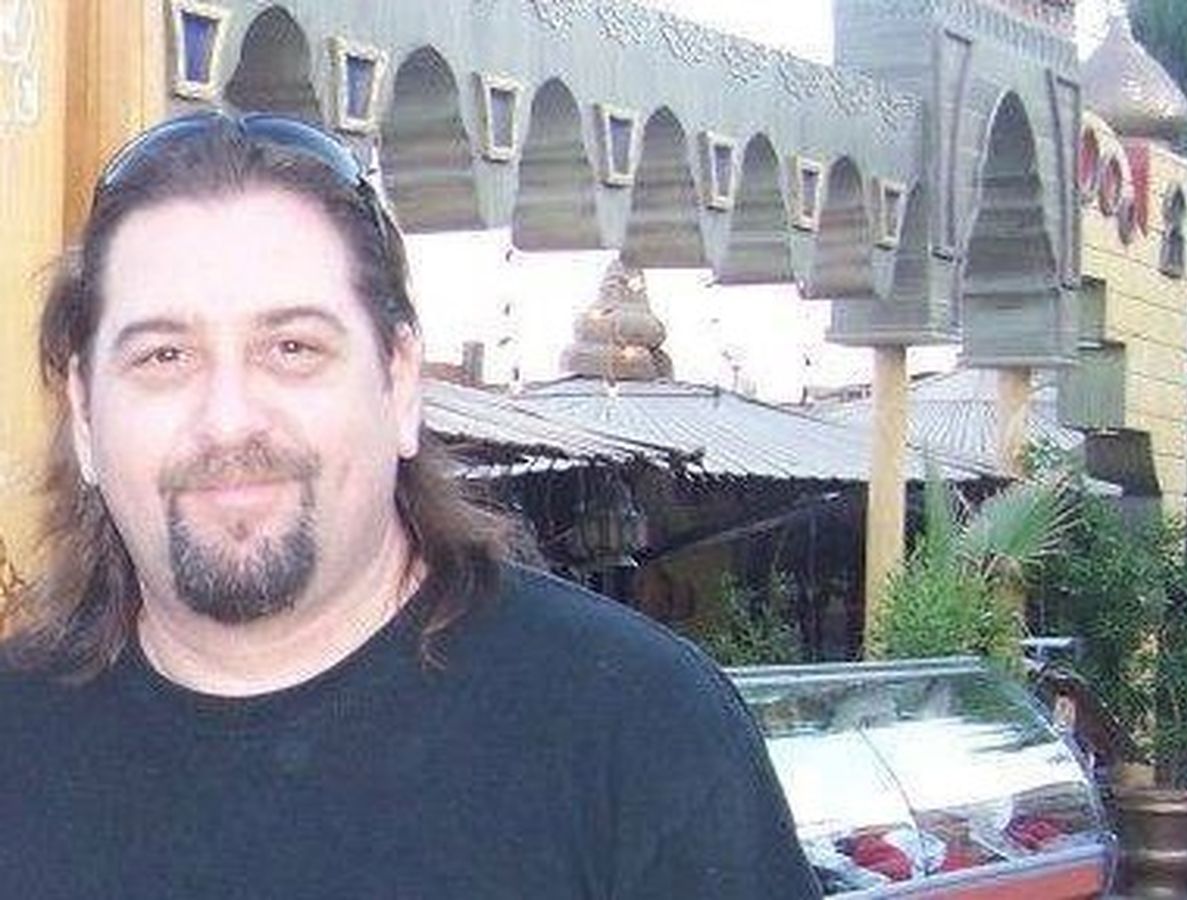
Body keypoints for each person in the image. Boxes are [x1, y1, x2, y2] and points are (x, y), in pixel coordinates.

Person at [0, 112, 821, 900]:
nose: (229, 421)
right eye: (164, 356)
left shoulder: (636, 731)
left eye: (292, 348)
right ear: (84, 413)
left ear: (398, 383)